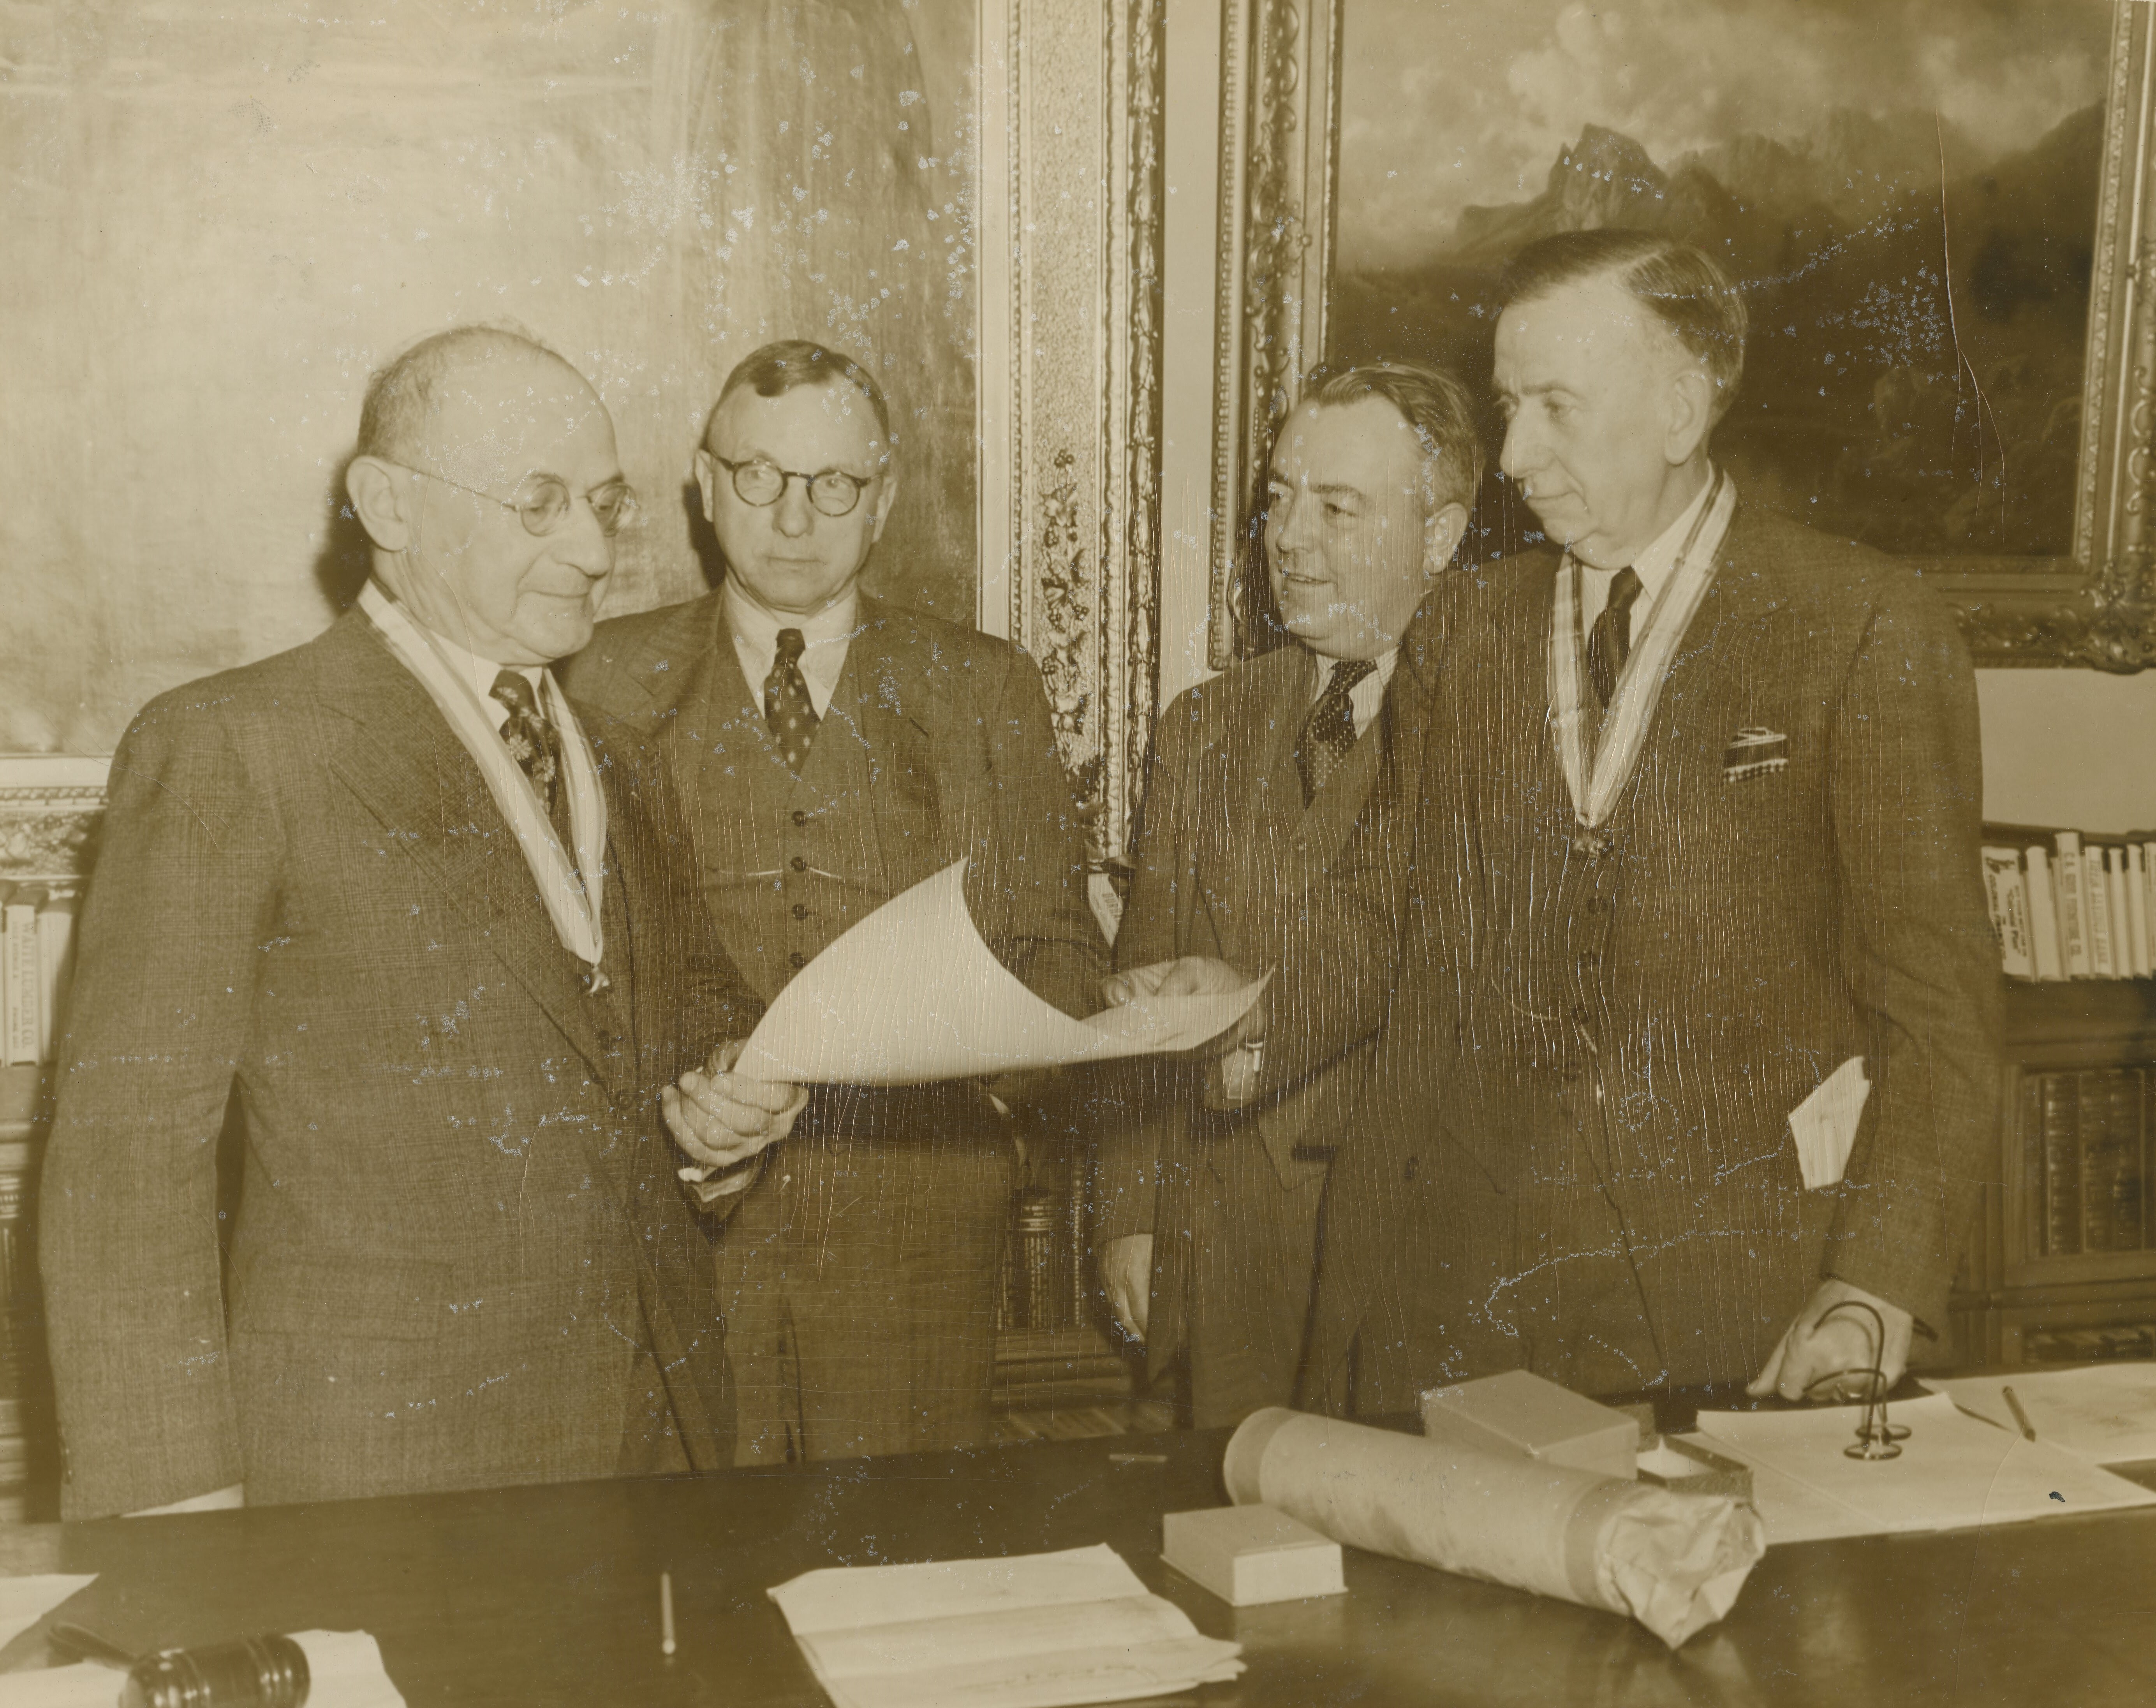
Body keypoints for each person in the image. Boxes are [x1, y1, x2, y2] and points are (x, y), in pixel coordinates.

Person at [1123, 231, 2002, 1406]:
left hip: (1742, 1296)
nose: (1517, 454)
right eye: (1507, 406)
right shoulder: (1464, 626)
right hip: (1461, 1291)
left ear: (1680, 408)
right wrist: (1238, 1016)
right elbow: (1388, 902)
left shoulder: (1857, 627)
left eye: (1553, 407)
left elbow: (1937, 1009)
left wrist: (1874, 1284)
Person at [39, 326, 801, 1520]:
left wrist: (727, 1110)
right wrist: (169, 1512)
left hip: (650, 1446)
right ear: (387, 505)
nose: (595, 549)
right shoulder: (235, 744)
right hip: (379, 1469)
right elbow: (126, 1162)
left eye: (605, 503)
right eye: (538, 503)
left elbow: (691, 1020)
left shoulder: (616, 756)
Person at [563, 339, 1105, 1463]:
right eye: (758, 476)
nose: (793, 518)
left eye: (833, 485)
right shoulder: (596, 679)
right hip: (669, 1250)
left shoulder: (984, 688)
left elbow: (1059, 965)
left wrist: (987, 1097)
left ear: (884, 499)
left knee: (894, 1588)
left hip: (913, 1250)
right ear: (704, 486)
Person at [1092, 361, 1511, 1424]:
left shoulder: (1500, 726)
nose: (1287, 536)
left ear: (1441, 536)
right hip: (1221, 1253)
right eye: (1278, 497)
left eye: (1337, 507)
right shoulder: (1204, 724)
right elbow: (1140, 992)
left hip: (1415, 1254)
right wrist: (1126, 1216)